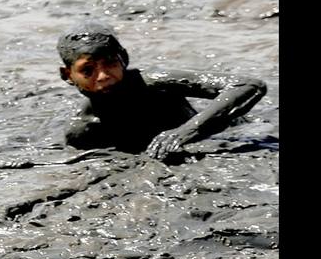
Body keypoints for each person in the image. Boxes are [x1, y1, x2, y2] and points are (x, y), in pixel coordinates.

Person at [57, 21, 266, 159]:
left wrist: (183, 133)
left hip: (230, 132)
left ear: (124, 60)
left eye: (110, 63)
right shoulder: (83, 130)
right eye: (88, 70)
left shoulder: (154, 83)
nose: (103, 76)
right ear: (68, 76)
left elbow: (248, 85)